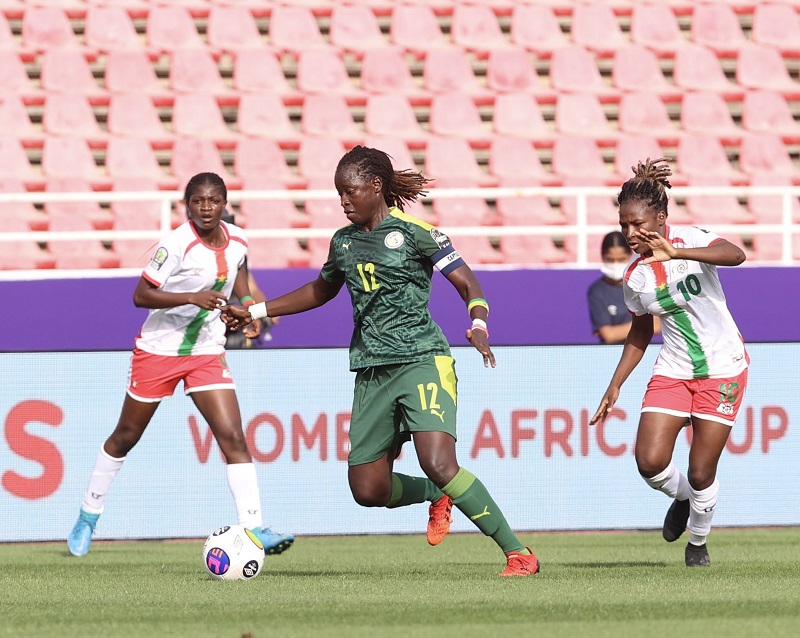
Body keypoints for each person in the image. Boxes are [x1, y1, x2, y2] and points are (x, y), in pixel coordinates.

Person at [222, 146, 540, 576]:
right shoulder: (343, 241)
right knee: (368, 489)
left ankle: (519, 554)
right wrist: (255, 311)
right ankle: (436, 494)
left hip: (421, 360)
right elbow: (320, 290)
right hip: (371, 370)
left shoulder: (416, 233)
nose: (343, 201)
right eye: (339, 193)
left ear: (376, 186)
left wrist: (479, 324)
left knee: (439, 462)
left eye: (350, 191)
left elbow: (468, 283)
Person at [67, 172, 294, 557]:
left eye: (213, 201)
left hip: (206, 351)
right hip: (159, 351)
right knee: (126, 435)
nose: (206, 208)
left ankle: (255, 528)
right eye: (197, 201)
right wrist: (192, 296)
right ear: (186, 205)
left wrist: (248, 307)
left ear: (225, 204)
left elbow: (239, 272)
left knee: (233, 437)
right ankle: (89, 514)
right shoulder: (175, 244)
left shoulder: (238, 239)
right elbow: (141, 295)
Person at [590, 158, 749, 567]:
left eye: (637, 224)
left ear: (660, 217)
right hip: (674, 369)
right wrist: (615, 384)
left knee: (701, 472)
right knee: (650, 461)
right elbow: (641, 332)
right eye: (624, 225)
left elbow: (736, 254)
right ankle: (681, 499)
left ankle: (697, 542)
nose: (629, 233)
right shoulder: (635, 277)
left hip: (723, 368)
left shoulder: (690, 239)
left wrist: (675, 251)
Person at [587, 232, 661, 344]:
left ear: (630, 256)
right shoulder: (597, 290)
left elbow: (657, 325)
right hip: (611, 350)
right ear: (602, 256)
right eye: (610, 260)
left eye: (621, 259)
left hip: (643, 348)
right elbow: (609, 335)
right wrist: (645, 325)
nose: (615, 264)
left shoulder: (644, 283)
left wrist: (619, 331)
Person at [219, 209, 277, 349]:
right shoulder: (190, 253)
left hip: (235, 315)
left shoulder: (237, 253)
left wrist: (260, 310)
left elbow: (252, 287)